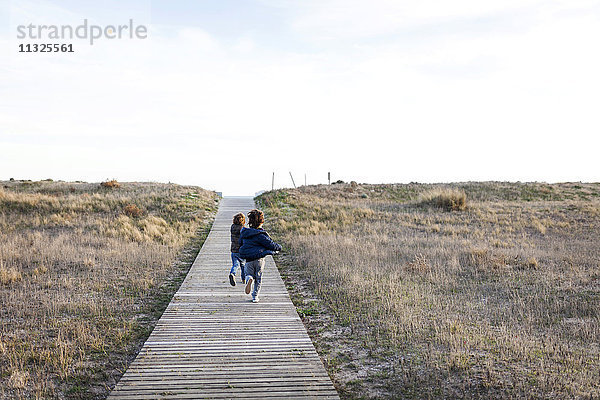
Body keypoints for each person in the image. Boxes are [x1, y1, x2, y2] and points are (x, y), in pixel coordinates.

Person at [239, 209, 281, 303]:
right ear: (261, 222)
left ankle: (249, 278)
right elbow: (271, 245)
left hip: (248, 259)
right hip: (259, 259)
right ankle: (255, 296)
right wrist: (279, 247)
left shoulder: (245, 232)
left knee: (248, 274)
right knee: (258, 279)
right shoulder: (261, 234)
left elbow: (240, 243)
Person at [228, 213, 246, 286]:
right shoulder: (243, 229)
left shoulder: (232, 227)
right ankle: (244, 279)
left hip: (233, 250)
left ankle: (233, 273)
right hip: (241, 250)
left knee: (235, 265)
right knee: (243, 266)